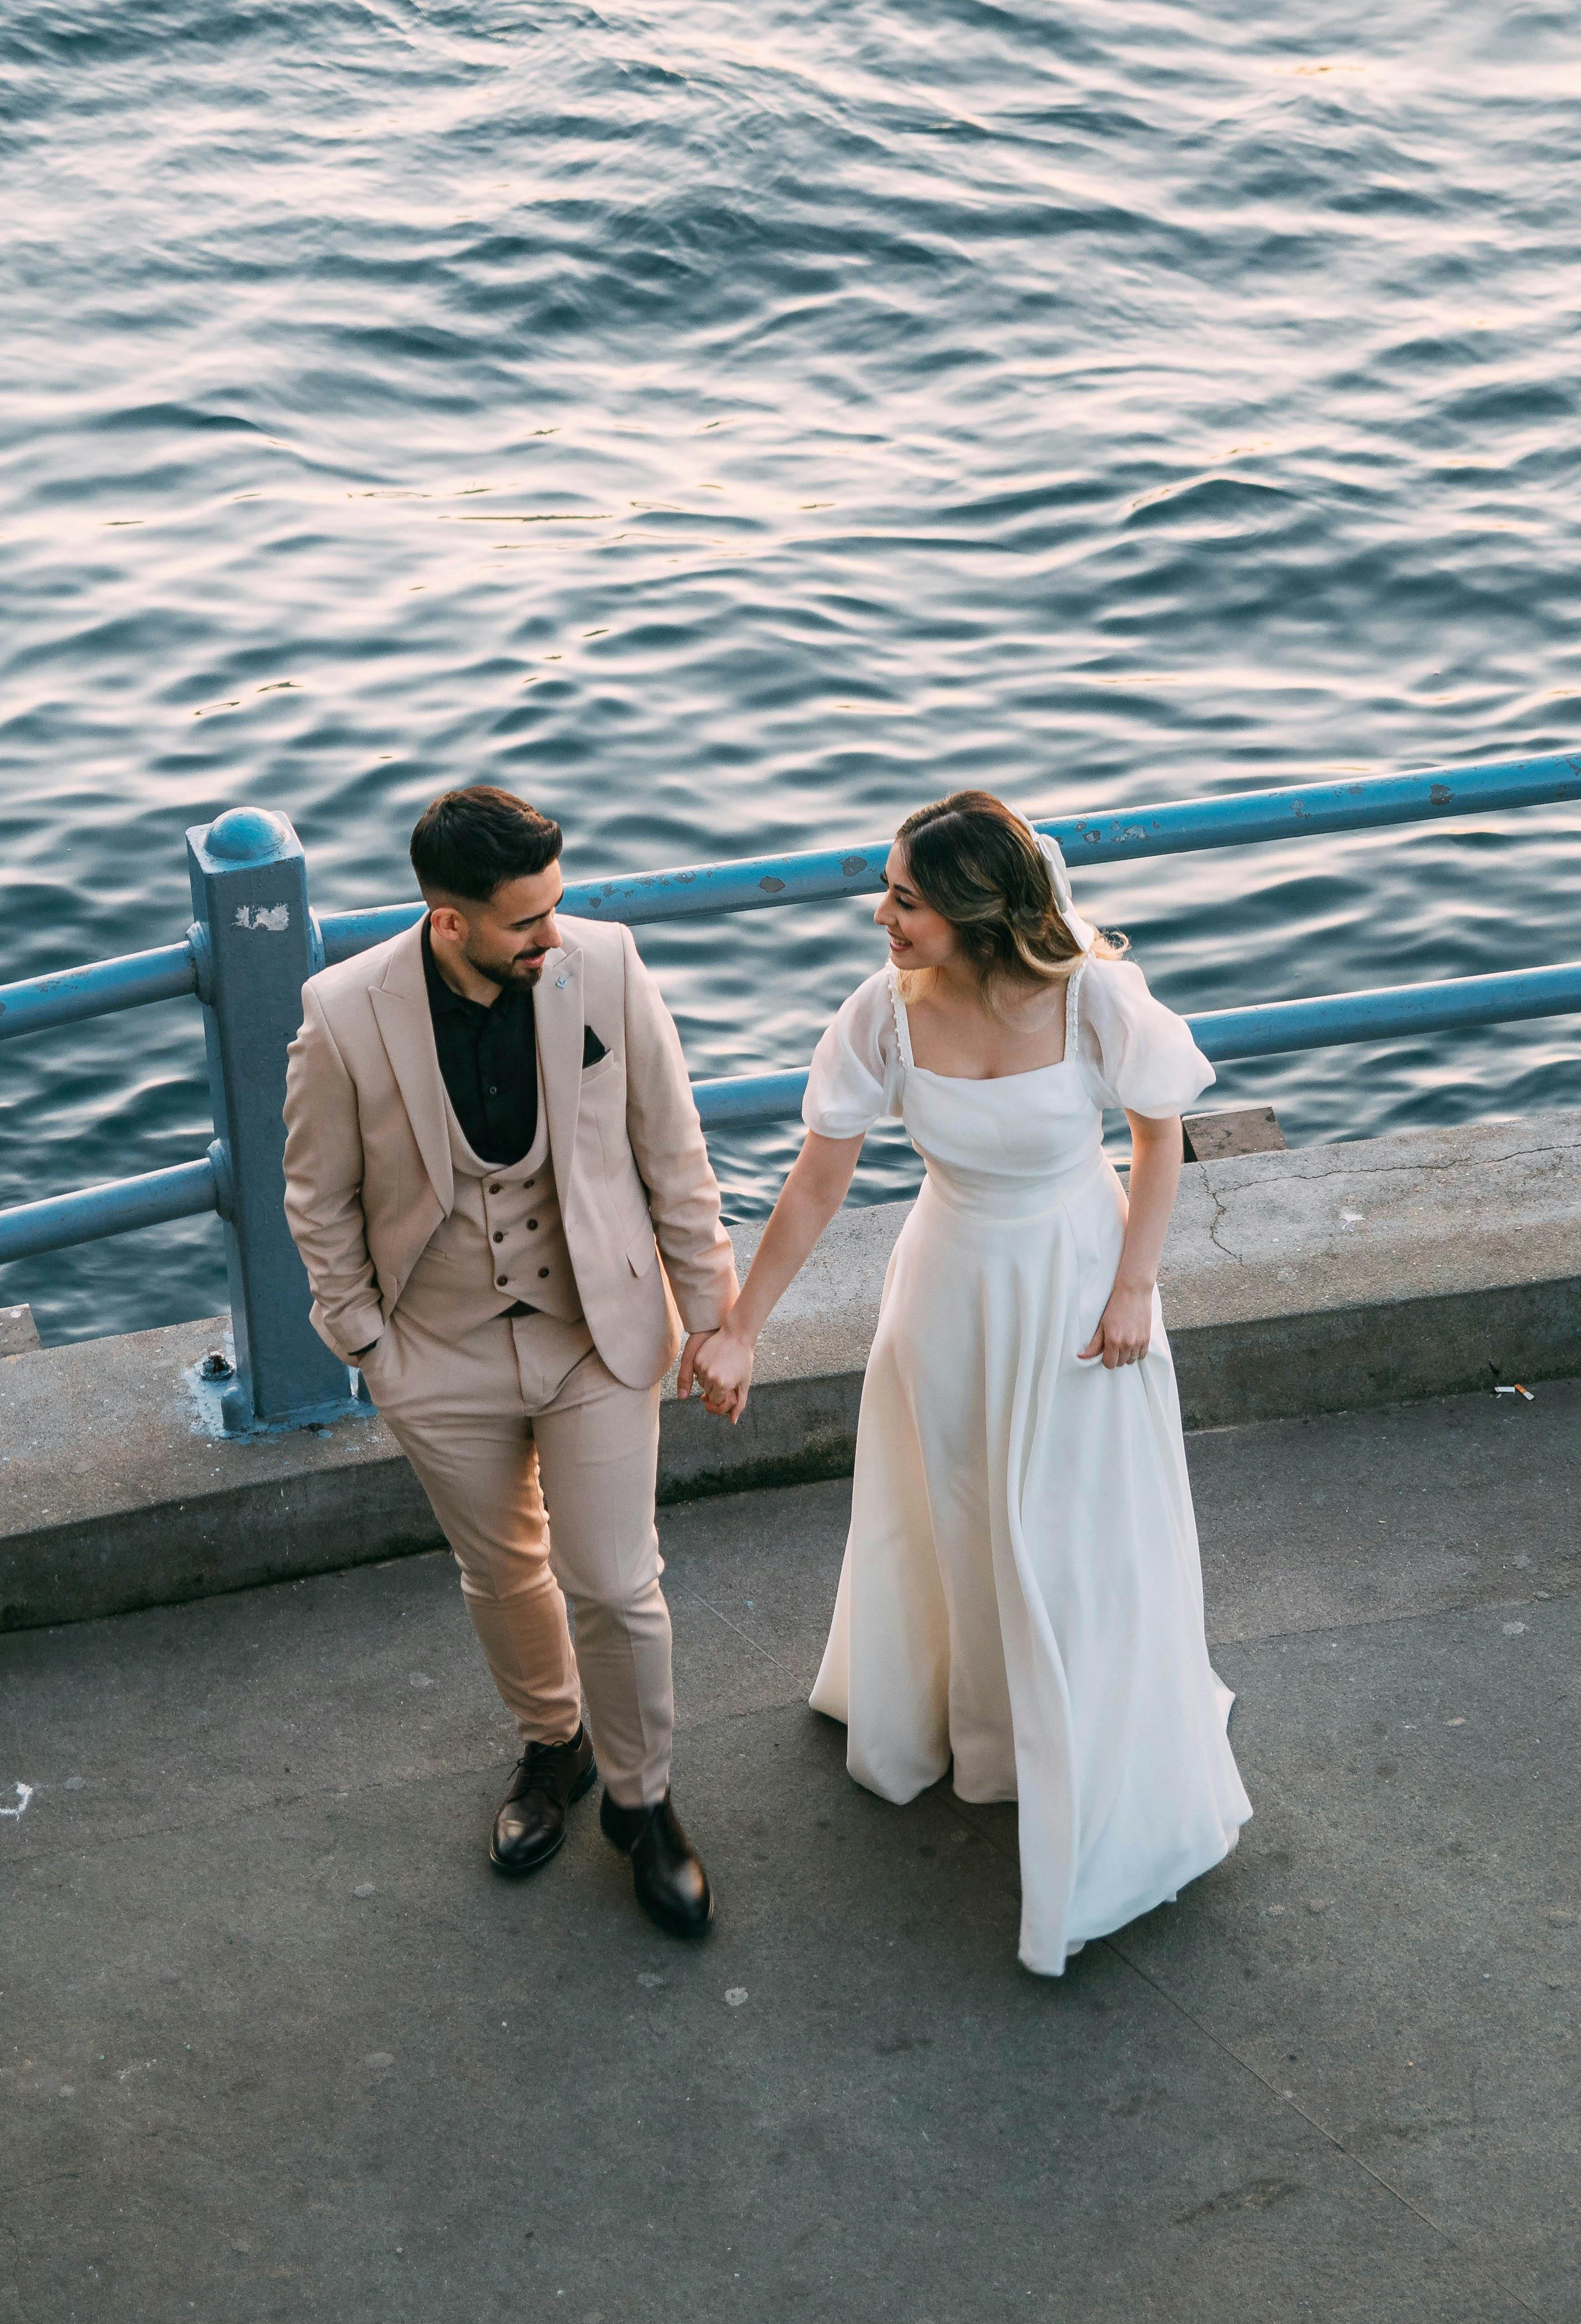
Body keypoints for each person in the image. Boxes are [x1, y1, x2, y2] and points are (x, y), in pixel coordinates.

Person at [685, 790, 1251, 1974]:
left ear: (979, 913)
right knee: (959, 1517)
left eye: (907, 898)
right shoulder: (881, 1015)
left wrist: (1135, 1287)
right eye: (886, 889)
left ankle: (1092, 1759)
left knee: (1081, 1536)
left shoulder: (1092, 994)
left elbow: (1156, 1139)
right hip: (947, 1287)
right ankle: (986, 1736)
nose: (881, 914)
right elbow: (813, 1188)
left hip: (1079, 1281)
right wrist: (741, 1326)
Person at [282, 785, 736, 1939]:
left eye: (557, 905)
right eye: (527, 919)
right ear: (449, 920)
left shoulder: (609, 966)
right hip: (438, 1351)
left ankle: (644, 1801)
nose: (553, 933)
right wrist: (370, 1345)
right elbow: (317, 1195)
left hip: (598, 1333)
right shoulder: (341, 1014)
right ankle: (554, 1748)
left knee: (619, 1585)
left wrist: (715, 1318)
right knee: (501, 1574)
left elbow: (673, 1156)